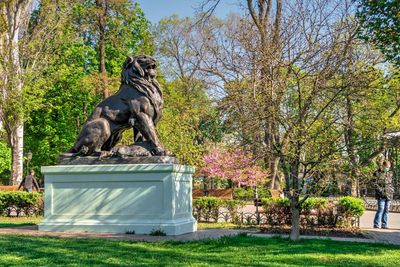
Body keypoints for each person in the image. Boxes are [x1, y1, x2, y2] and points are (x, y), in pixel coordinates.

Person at [373, 160, 394, 229]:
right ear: (383, 166)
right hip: (381, 194)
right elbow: (374, 183)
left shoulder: (390, 173)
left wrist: (392, 189)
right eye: (386, 167)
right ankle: (376, 224)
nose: (387, 168)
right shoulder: (377, 173)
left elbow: (391, 183)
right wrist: (380, 190)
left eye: (388, 167)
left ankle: (384, 224)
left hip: (389, 194)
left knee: (386, 210)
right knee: (381, 209)